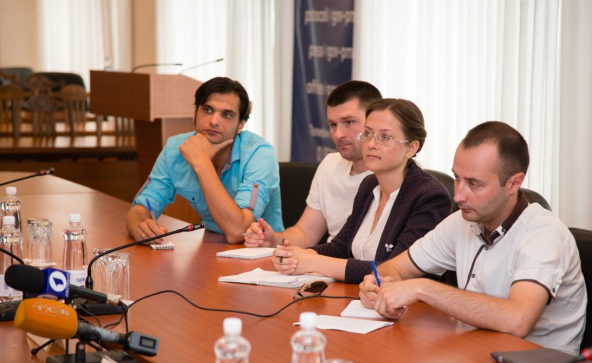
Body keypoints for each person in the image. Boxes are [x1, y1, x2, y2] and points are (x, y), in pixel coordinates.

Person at [359, 121, 587, 355]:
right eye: (457, 178)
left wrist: (422, 288)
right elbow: (397, 267)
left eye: (474, 184)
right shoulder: (463, 221)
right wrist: (379, 284)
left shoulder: (543, 234)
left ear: (514, 183)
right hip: (476, 353)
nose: (458, 195)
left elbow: (518, 320)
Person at [272, 99, 451, 284]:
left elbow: (392, 271)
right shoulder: (369, 184)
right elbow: (340, 247)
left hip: (403, 301)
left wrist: (313, 262)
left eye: (385, 137)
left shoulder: (429, 196)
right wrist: (298, 256)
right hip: (356, 294)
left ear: (410, 148)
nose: (371, 144)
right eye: (367, 134)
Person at [126, 77, 283, 244]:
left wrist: (202, 162)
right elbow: (140, 209)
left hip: (262, 252)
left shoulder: (260, 154)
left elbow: (238, 232)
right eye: (207, 110)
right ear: (195, 113)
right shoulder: (175, 149)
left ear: (240, 125)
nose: (213, 121)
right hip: (212, 245)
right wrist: (141, 227)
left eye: (226, 115)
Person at [243, 81, 381, 249]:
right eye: (333, 124)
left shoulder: (390, 174)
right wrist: (273, 240)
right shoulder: (329, 164)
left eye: (349, 122)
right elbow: (305, 234)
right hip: (329, 260)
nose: (338, 134)